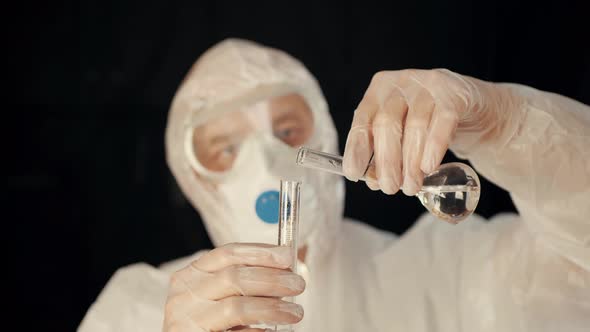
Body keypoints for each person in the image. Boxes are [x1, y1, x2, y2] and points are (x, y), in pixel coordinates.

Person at [78, 38, 590, 332]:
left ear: (324, 131)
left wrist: (512, 124)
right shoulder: (137, 308)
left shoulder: (448, 271)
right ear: (194, 179)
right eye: (225, 150)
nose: (267, 161)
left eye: (286, 132)